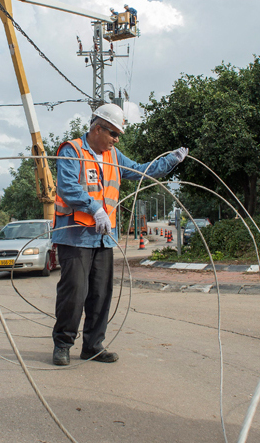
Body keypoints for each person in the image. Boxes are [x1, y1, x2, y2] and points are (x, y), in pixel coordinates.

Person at [52, 103, 186, 366]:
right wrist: (95, 209)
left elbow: (142, 171)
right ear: (98, 128)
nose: (115, 140)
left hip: (102, 238)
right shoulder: (72, 150)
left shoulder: (114, 156)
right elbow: (67, 188)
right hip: (75, 237)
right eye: (113, 134)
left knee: (100, 294)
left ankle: (92, 345)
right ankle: (62, 345)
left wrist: (172, 160)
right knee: (74, 293)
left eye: (117, 136)